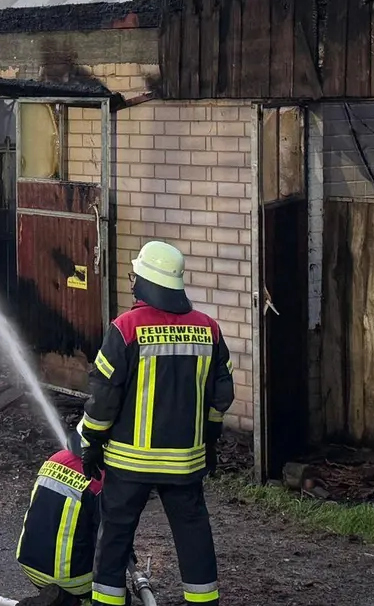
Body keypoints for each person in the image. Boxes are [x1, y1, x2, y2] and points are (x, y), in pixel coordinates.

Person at [80, 240, 234, 606]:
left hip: (129, 463)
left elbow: (103, 398)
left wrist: (92, 441)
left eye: (135, 276)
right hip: (184, 463)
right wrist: (210, 439)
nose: (132, 282)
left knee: (115, 537)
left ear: (147, 281)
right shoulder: (208, 329)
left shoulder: (125, 328)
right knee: (193, 534)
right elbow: (222, 395)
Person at [17, 441, 103, 606]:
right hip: (75, 580)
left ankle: (57, 596)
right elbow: (107, 541)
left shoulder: (56, 458)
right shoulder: (102, 478)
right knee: (117, 595)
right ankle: (70, 601)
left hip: (30, 566)